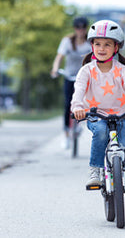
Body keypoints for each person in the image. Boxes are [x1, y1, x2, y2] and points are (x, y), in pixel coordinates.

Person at [71, 20, 125, 202]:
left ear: (116, 48)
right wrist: (77, 107)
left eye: (107, 44)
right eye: (97, 43)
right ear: (91, 45)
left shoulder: (122, 70)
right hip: (95, 115)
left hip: (119, 116)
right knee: (100, 132)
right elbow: (79, 90)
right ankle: (95, 170)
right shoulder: (86, 71)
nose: (102, 48)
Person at [51, 17, 91, 149]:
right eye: (78, 28)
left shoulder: (90, 43)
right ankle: (67, 134)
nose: (80, 31)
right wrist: (55, 69)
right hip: (69, 76)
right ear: (74, 29)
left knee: (85, 102)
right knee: (68, 104)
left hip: (84, 77)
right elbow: (59, 57)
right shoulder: (67, 41)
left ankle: (79, 125)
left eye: (83, 28)